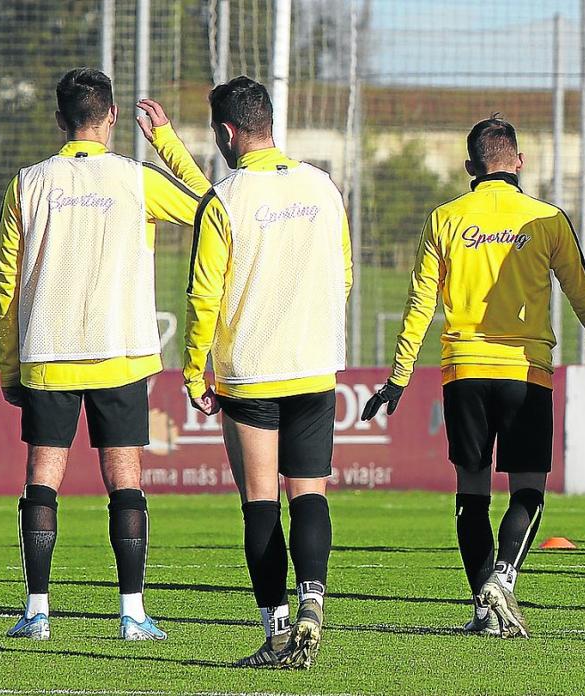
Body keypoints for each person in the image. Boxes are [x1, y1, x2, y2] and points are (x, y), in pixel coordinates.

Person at [362, 115, 585, 639]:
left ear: (469, 168)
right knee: (529, 487)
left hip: (464, 371)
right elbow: (583, 294)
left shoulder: (445, 218)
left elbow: (420, 303)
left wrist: (399, 376)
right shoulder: (547, 218)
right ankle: (503, 578)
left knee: (472, 492)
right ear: (519, 162)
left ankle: (484, 608)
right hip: (526, 372)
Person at [0, 68, 209, 641]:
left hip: (48, 353)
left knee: (42, 478)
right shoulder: (137, 180)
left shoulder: (29, 182)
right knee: (126, 480)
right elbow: (211, 209)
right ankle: (132, 614)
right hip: (122, 353)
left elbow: (6, 285)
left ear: (60, 121)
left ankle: (37, 612)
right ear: (111, 116)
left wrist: (10, 365)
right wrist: (167, 142)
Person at [182, 76, 351, 668]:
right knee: (309, 493)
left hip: (252, 371)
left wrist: (193, 368)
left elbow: (205, 294)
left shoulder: (226, 199)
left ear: (228, 132)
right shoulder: (323, 187)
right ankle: (312, 602)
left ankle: (278, 632)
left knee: (260, 501)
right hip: (314, 367)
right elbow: (345, 273)